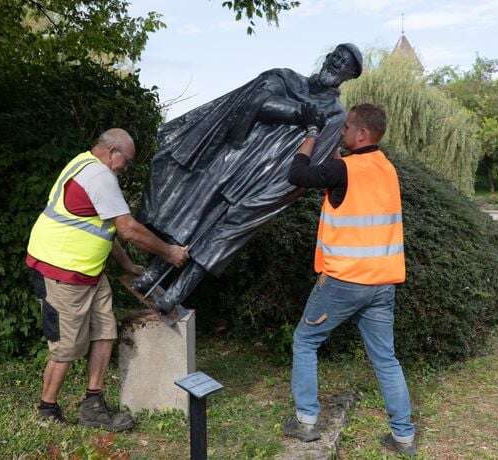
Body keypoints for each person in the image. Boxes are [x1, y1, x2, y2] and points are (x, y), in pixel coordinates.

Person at [134, 44, 363, 314]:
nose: (336, 63)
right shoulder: (285, 77)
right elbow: (255, 103)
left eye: (344, 63)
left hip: (269, 178)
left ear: (350, 74)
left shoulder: (336, 115)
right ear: (327, 57)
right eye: (335, 56)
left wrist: (280, 192)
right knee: (193, 217)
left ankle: (175, 294)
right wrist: (300, 113)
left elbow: (315, 159)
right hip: (235, 158)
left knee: (223, 237)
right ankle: (153, 272)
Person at [25, 128, 189, 430]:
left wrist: (127, 264)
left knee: (105, 331)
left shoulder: (83, 164)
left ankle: (93, 404)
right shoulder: (100, 177)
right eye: (125, 162)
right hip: (61, 271)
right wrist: (169, 253)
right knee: (67, 347)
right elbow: (127, 228)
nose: (124, 169)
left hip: (89, 272)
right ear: (112, 152)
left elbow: (103, 226)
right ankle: (47, 409)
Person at [282, 104, 417, 457]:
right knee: (386, 359)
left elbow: (296, 173)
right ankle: (403, 437)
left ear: (361, 135)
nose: (340, 134)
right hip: (382, 283)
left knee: (305, 341)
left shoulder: (345, 169)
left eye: (344, 129)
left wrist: (311, 134)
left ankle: (306, 421)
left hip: (344, 281)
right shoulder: (387, 169)